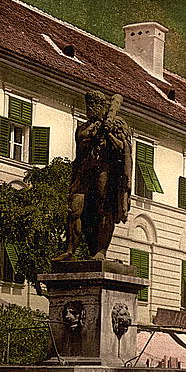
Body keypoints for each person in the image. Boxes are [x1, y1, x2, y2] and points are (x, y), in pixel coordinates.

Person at [55, 90, 132, 261]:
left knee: (103, 209)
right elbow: (80, 148)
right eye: (87, 106)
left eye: (92, 106)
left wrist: (109, 134)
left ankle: (101, 251)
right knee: (74, 209)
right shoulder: (83, 128)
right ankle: (70, 249)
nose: (89, 110)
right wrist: (94, 135)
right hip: (84, 171)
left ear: (101, 106)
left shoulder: (116, 124)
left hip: (104, 171)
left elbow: (123, 149)